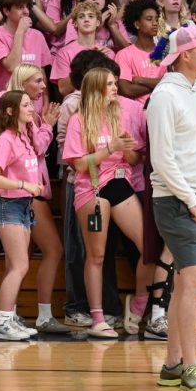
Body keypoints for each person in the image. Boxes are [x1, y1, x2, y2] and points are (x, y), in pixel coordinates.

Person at [147, 26, 196, 391]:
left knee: (184, 282)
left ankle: (173, 365)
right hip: (176, 200)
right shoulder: (164, 96)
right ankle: (192, 367)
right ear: (185, 55)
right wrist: (192, 202)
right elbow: (162, 159)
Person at [63, 66, 152, 339]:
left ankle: (138, 303)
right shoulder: (79, 120)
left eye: (115, 83)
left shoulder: (118, 115)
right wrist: (110, 149)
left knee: (148, 248)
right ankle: (98, 318)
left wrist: (127, 151)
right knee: (97, 255)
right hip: (92, 189)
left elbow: (135, 159)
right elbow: (78, 163)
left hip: (120, 183)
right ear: (96, 88)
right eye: (111, 84)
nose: (116, 88)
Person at [0, 90, 44, 341]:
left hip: (22, 207)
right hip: (7, 206)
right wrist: (24, 185)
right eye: (26, 105)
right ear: (11, 111)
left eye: (31, 104)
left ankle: (10, 317)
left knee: (15, 266)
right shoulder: (6, 139)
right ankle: (2, 322)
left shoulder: (24, 136)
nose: (31, 108)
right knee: (20, 266)